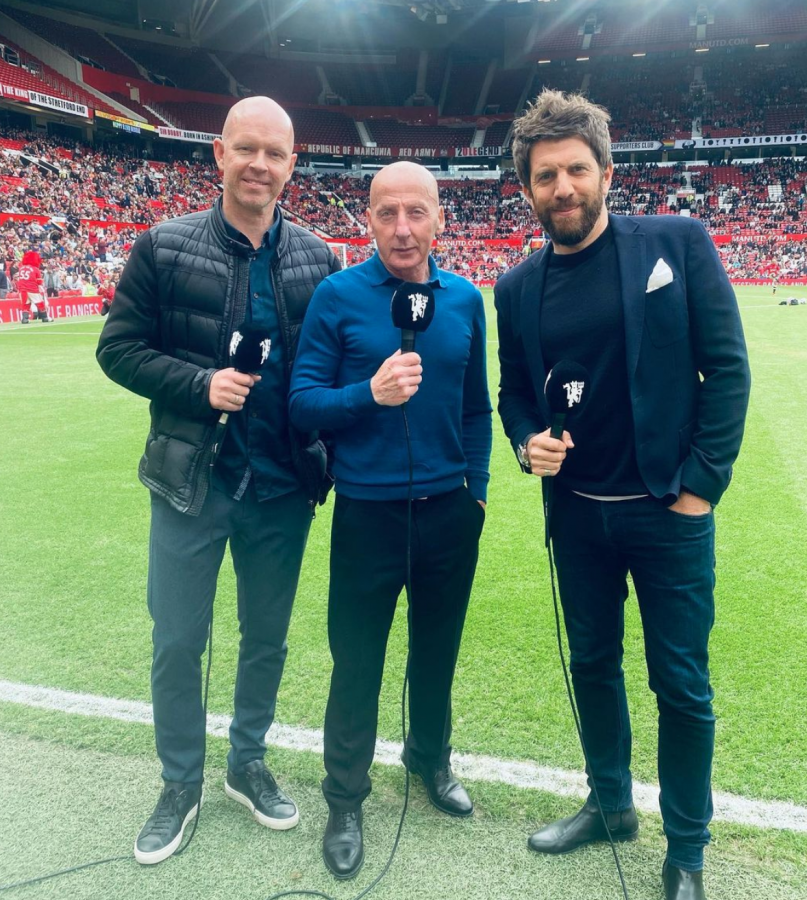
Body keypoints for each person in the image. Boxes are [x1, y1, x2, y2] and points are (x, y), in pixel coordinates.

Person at [494, 90, 750, 900]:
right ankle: (610, 805)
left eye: (574, 169)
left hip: (665, 514)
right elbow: (513, 396)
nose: (561, 187)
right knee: (593, 666)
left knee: (679, 682)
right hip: (574, 518)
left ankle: (686, 850)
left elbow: (727, 369)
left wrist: (700, 488)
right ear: (526, 188)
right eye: (544, 176)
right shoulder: (515, 286)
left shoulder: (675, 241)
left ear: (605, 172)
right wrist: (524, 439)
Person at [97, 96, 339, 866]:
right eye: (246, 149)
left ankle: (246, 761)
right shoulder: (164, 248)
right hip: (190, 484)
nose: (259, 164)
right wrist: (199, 385)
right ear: (219, 156)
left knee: (263, 639)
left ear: (291, 164)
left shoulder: (315, 258)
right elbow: (118, 349)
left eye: (274, 153)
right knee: (177, 641)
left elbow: (329, 367)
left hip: (281, 486)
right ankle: (179, 781)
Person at [289, 161, 491, 880]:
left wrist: (478, 493)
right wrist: (367, 394)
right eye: (386, 213)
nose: (401, 228)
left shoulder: (466, 300)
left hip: (448, 513)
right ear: (366, 220)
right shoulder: (337, 296)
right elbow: (302, 401)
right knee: (357, 663)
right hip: (367, 514)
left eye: (415, 212)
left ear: (439, 217)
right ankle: (344, 799)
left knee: (435, 655)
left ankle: (429, 761)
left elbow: (475, 409)